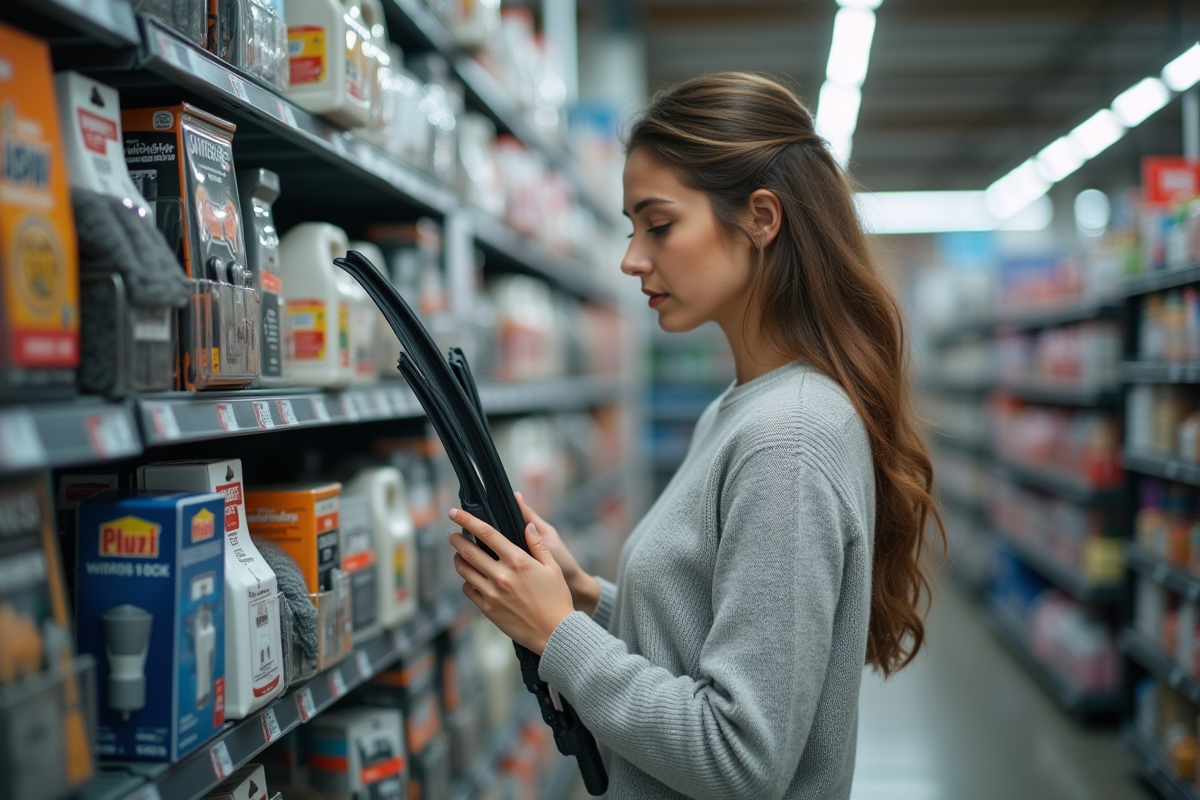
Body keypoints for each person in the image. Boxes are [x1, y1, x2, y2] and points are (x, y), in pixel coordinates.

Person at [447, 72, 941, 800]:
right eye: (629, 227)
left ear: (761, 218)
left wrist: (560, 637)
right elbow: (716, 634)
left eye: (660, 224)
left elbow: (742, 758)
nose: (631, 258)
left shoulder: (787, 438)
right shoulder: (739, 410)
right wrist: (587, 600)